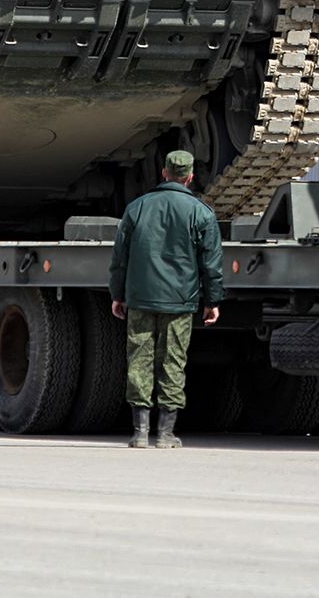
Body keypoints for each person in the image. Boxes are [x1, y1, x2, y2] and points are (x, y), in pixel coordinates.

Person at [107, 149, 225, 449]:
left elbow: (119, 259)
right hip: (179, 300)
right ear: (190, 177)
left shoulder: (138, 207)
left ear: (164, 173)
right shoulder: (201, 213)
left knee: (139, 360)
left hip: (141, 298)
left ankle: (139, 432)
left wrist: (118, 295)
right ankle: (165, 434)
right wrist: (213, 301)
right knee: (172, 362)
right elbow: (211, 265)